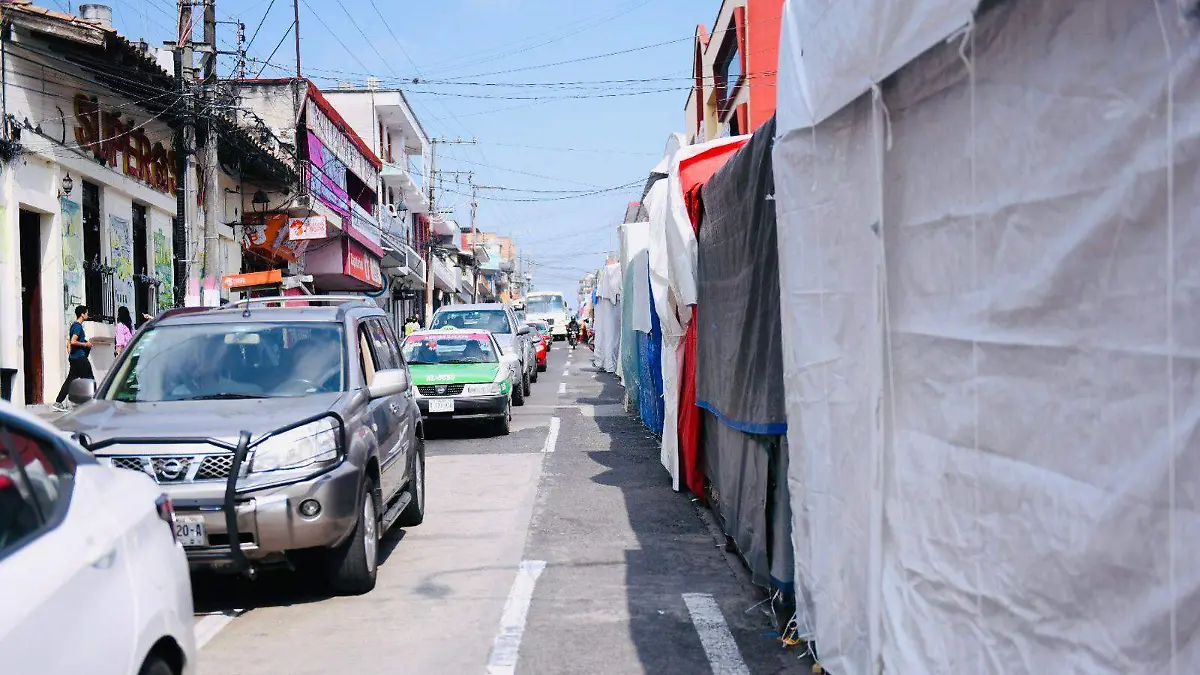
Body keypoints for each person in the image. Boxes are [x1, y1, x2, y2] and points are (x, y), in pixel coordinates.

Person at [52, 305, 94, 412]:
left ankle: (58, 402)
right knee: (89, 379)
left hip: (75, 358)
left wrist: (71, 355)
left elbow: (68, 344)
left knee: (70, 381)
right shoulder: (78, 326)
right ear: (82, 314)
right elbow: (73, 341)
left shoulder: (73, 326)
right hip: (80, 358)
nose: (88, 315)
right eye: (87, 313)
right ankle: (94, 403)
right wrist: (86, 344)